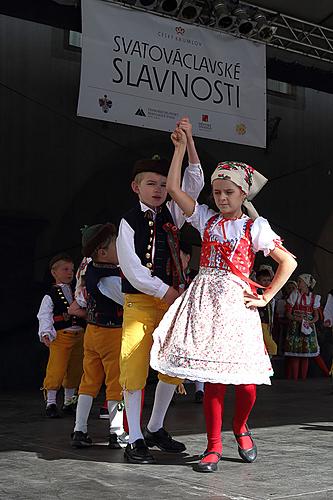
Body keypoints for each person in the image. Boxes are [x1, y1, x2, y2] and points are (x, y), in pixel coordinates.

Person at [150, 127, 297, 473]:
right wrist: (181, 148)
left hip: (238, 306)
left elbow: (288, 262)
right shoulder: (206, 220)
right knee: (213, 381)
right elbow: (173, 188)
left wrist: (266, 296)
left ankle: (240, 426)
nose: (221, 198)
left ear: (242, 192)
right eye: (217, 192)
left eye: (228, 192)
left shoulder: (254, 228)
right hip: (206, 307)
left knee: (246, 383)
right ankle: (213, 446)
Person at [116, 117, 204, 464]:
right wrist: (166, 290)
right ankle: (134, 435)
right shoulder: (128, 220)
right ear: (135, 187)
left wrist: (187, 144)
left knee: (172, 365)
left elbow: (193, 183)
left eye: (163, 184)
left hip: (169, 303)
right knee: (134, 363)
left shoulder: (172, 212)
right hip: (140, 302)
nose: (158, 189)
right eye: (150, 183)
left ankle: (154, 426)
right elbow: (133, 270)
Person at [71, 223, 126, 449]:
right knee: (116, 383)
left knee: (88, 382)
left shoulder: (91, 271)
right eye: (117, 245)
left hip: (92, 331)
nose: (121, 247)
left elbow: (82, 301)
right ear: (102, 253)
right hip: (111, 334)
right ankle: (117, 431)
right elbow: (126, 300)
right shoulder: (109, 278)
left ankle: (79, 429)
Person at [38, 254, 85, 418]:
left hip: (79, 335)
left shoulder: (78, 291)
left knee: (75, 369)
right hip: (61, 336)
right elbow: (44, 315)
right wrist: (45, 332)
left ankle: (69, 401)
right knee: (56, 369)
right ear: (54, 272)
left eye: (72, 270)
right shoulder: (50, 295)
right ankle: (51, 402)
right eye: (65, 269)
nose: (69, 273)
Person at [284, 274, 321, 380]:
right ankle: (295, 379)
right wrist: (297, 319)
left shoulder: (314, 297)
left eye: (300, 282)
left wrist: (310, 322)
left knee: (305, 354)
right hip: (296, 326)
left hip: (307, 327)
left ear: (306, 284)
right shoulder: (294, 295)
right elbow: (288, 314)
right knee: (296, 354)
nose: (298, 283)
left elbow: (316, 316)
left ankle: (303, 378)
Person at [256, 268, 277, 356]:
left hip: (268, 322)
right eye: (264, 280)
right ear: (258, 281)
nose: (267, 282)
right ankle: (270, 357)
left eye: (268, 280)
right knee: (271, 346)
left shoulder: (269, 293)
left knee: (265, 342)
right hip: (261, 321)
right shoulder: (258, 292)